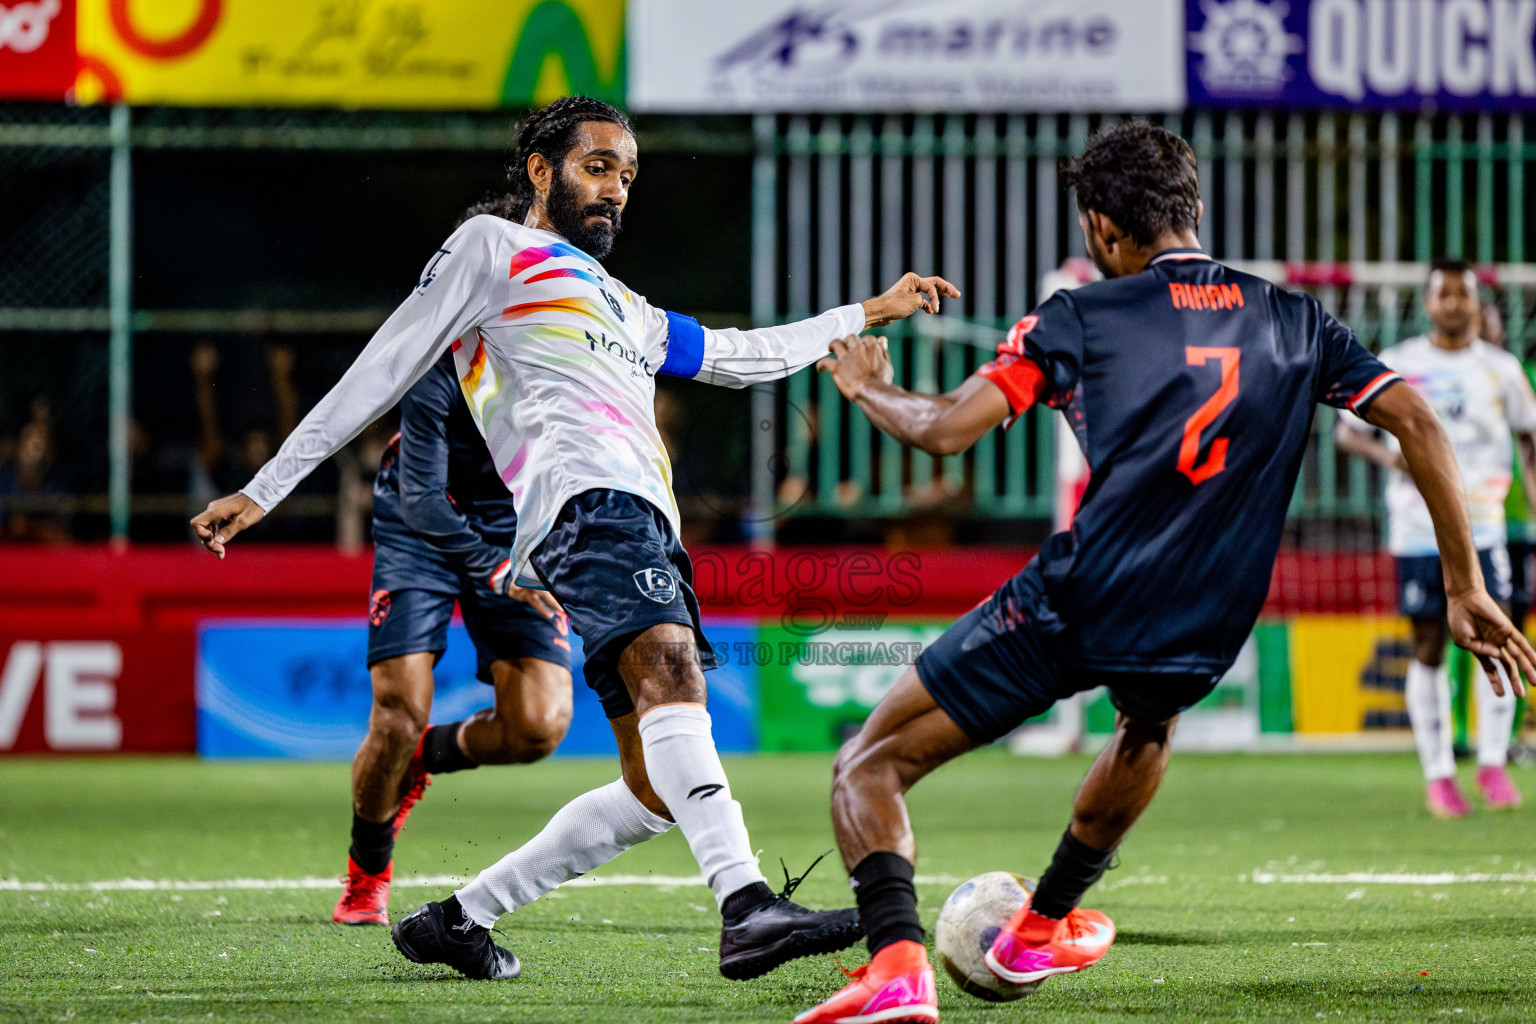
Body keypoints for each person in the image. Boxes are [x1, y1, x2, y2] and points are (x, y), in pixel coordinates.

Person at [189, 95, 956, 982]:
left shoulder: (622, 303)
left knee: (653, 787)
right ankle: (745, 905)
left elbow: (739, 354)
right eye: (598, 167)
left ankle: (457, 918)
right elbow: (386, 363)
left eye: (628, 175)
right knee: (672, 677)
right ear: (542, 170)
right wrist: (266, 486)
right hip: (587, 505)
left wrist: (865, 311)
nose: (616, 190)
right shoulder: (492, 249)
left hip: (641, 520)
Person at [796, 121, 1536, 1024]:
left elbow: (948, 427)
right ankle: (1040, 929)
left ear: (1104, 229)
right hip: (1212, 619)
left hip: (1083, 596)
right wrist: (1466, 584)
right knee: (1147, 722)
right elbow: (1417, 422)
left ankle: (898, 967)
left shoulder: (1079, 314)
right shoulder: (1297, 318)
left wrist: (866, 382)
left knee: (865, 767)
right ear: (1195, 208)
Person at [332, 346, 574, 927]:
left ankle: (419, 762)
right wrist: (494, 568)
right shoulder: (444, 364)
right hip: (424, 524)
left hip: (520, 524)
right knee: (397, 714)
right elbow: (420, 499)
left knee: (537, 726)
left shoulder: (574, 358)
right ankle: (368, 872)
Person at [1336, 262, 1536, 817]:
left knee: (1495, 639)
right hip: (1416, 528)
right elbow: (1346, 434)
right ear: (1427, 303)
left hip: (1486, 529)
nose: (1452, 303)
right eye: (1442, 293)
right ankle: (1440, 774)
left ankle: (1494, 766)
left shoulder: (1501, 369)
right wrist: (1392, 457)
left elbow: (1529, 440)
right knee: (1427, 647)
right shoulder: (1400, 363)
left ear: (1476, 303)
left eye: (1462, 294)